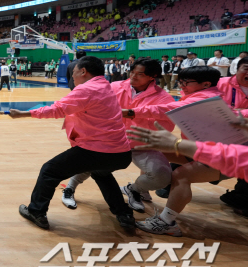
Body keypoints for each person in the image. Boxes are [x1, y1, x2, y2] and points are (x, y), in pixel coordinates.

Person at [10, 56, 136, 230]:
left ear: (83, 71)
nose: (72, 76)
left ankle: (36, 211)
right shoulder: (106, 86)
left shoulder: (86, 89)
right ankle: (124, 213)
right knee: (102, 174)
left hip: (97, 150)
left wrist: (24, 114)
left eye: (74, 72)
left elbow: (57, 109)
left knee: (49, 171)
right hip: (121, 154)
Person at [61, 58, 175, 211]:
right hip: (110, 140)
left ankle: (134, 189)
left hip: (140, 144)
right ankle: (70, 188)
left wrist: (135, 121)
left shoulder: (163, 98)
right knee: (90, 162)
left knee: (162, 176)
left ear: (152, 76)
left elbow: (166, 125)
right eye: (132, 72)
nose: (133, 76)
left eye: (139, 74)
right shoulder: (112, 87)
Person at [122, 66, 223, 236]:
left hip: (220, 158)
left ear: (206, 84)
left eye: (186, 82)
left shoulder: (204, 99)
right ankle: (141, 189)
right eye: (180, 80)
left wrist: (129, 112)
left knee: (181, 175)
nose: (181, 84)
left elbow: (164, 110)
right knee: (153, 148)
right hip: (199, 149)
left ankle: (166, 222)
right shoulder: (209, 92)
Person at [216, 56, 248, 215]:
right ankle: (168, 184)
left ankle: (241, 195)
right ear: (237, 69)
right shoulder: (221, 83)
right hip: (217, 130)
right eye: (246, 68)